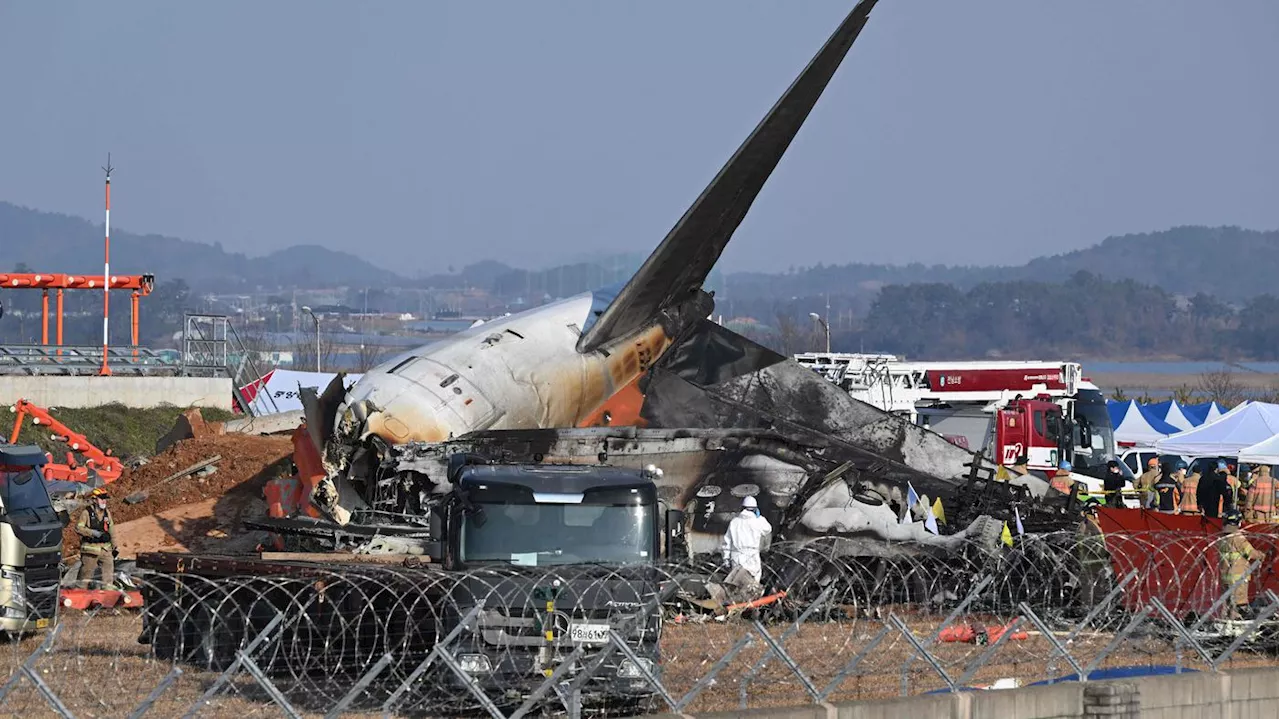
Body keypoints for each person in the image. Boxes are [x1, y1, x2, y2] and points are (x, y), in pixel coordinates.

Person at [1218, 508, 1262, 620]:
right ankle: (1236, 622)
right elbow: (1250, 553)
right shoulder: (1238, 538)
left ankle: (1226, 621)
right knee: (1238, 602)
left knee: (1228, 602)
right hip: (1238, 577)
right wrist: (1261, 555)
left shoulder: (1222, 538)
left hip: (1225, 576)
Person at [721, 495, 772, 585]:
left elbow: (727, 542)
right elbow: (768, 529)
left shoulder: (734, 522)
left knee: (737, 585)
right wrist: (759, 517)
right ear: (755, 509)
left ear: (742, 508)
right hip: (752, 557)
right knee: (753, 585)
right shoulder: (758, 521)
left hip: (737, 557)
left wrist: (726, 558)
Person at [75, 487, 119, 588]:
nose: (104, 501)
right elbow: (78, 528)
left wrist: (115, 547)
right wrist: (94, 533)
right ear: (94, 500)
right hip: (91, 550)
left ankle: (107, 596)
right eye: (101, 498)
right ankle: (79, 595)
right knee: (85, 577)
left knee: (108, 577)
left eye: (105, 498)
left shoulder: (107, 513)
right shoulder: (86, 513)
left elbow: (111, 530)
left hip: (105, 550)